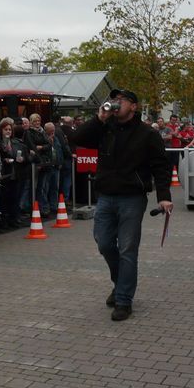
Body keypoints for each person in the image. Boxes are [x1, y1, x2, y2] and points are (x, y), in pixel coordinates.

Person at [71, 88, 172, 322]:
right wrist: (99, 118)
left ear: (133, 106)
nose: (116, 104)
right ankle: (120, 284)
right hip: (106, 195)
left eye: (122, 100)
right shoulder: (105, 127)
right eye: (114, 100)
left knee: (127, 249)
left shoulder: (147, 133)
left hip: (132, 197)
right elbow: (77, 139)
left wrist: (164, 196)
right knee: (104, 243)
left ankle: (124, 300)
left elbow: (161, 166)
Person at [24, 114, 52, 217]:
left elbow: (49, 145)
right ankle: (33, 208)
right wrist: (39, 160)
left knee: (42, 187)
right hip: (36, 162)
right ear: (31, 122)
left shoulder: (42, 132)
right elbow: (32, 147)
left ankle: (40, 207)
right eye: (35, 121)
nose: (37, 123)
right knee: (34, 187)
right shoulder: (28, 132)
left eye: (38, 121)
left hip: (44, 161)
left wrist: (42, 147)